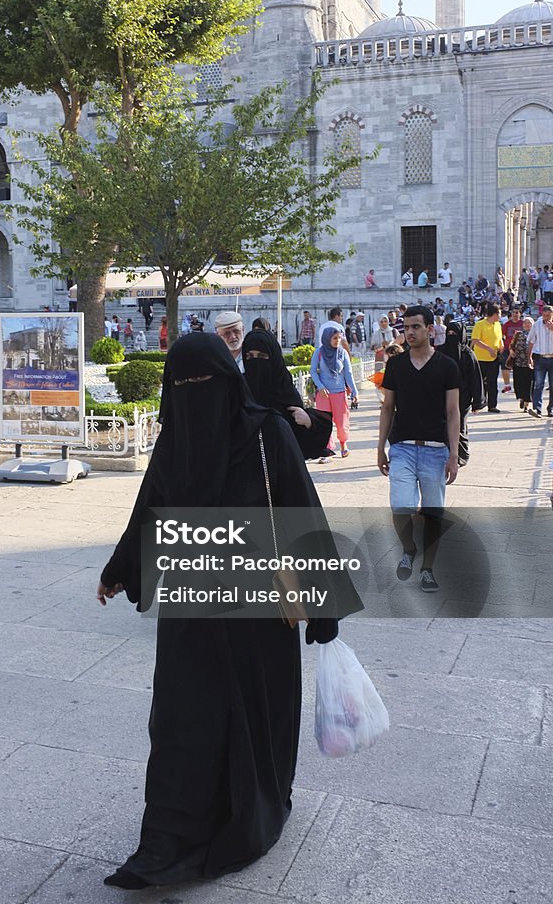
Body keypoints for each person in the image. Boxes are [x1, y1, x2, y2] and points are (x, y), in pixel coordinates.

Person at [96, 334, 362, 889]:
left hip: (260, 612)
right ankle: (167, 839)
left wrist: (325, 605)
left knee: (255, 712)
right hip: (191, 607)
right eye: (183, 387)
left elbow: (300, 510)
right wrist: (122, 569)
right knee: (181, 717)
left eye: (205, 384)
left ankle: (254, 809)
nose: (196, 397)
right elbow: (151, 507)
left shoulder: (267, 434)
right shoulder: (177, 442)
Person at [377, 305, 460, 592]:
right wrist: (379, 447)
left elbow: (453, 412)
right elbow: (387, 407)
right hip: (402, 447)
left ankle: (427, 569)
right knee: (400, 505)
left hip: (436, 450)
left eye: (415, 327)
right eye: (406, 327)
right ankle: (409, 548)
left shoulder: (447, 366)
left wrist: (453, 453)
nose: (409, 332)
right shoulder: (396, 365)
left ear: (429, 329)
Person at [241, 327, 332, 460]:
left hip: (284, 467)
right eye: (250, 356)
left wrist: (308, 421)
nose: (256, 362)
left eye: (262, 356)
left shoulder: (284, 391)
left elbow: (304, 442)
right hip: (247, 469)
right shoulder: (240, 389)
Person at [437, 320, 486, 466]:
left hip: (463, 397)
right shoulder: (440, 352)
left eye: (455, 334)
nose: (452, 336)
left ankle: (461, 454)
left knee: (460, 425)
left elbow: (476, 379)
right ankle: (447, 454)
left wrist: (478, 402)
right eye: (449, 333)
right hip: (443, 396)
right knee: (444, 425)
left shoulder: (468, 354)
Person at [310, 322, 358, 460]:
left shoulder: (342, 353)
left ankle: (343, 444)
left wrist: (354, 391)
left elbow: (348, 373)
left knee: (342, 422)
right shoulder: (319, 353)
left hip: (339, 393)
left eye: (339, 338)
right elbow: (313, 371)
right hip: (323, 394)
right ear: (327, 338)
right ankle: (327, 450)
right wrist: (320, 386)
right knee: (324, 423)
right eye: (334, 338)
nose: (337, 341)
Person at [470, 303, 504, 413]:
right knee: (479, 383)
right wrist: (488, 349)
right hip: (481, 358)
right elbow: (475, 340)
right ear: (494, 314)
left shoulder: (498, 324)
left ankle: (492, 405)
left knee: (492, 382)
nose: (500, 315)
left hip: (494, 358)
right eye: (499, 313)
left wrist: (501, 345)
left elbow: (499, 337)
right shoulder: (480, 324)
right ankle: (478, 403)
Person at [526, 304, 553, 417]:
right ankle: (537, 409)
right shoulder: (537, 324)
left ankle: (550, 409)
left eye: (548, 316)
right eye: (544, 315)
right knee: (538, 384)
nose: (546, 318)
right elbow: (531, 341)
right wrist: (529, 357)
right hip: (540, 358)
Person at [506, 316, 534, 411]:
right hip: (518, 363)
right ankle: (521, 398)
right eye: (525, 322)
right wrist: (511, 351)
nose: (527, 324)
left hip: (529, 363)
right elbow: (511, 345)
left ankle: (526, 403)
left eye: (529, 323)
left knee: (528, 383)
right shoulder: (518, 334)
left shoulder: (535, 335)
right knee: (518, 383)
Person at [500, 307, 523, 394]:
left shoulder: (523, 323)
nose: (515, 314)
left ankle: (519, 386)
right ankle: (507, 386)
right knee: (504, 367)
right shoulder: (507, 324)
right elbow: (501, 335)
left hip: (520, 349)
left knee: (519, 369)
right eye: (513, 312)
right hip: (507, 348)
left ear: (520, 314)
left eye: (517, 312)